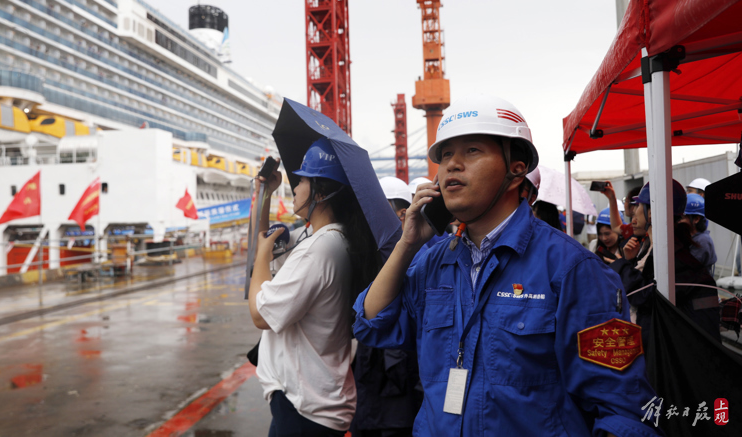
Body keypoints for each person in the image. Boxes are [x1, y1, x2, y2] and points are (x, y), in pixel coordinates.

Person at [353, 94, 660, 436]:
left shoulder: (572, 269)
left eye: (471, 151)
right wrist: (407, 245)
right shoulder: (432, 261)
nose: (452, 165)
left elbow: (623, 407)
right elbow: (371, 325)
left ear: (516, 170)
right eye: (446, 155)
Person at [249, 139, 381, 436]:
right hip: (314, 403)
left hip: (304, 407)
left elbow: (260, 314)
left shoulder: (319, 249)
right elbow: (260, 246)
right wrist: (265, 193)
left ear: (321, 192)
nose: (295, 187)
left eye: (303, 180)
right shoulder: (335, 240)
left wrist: (261, 254)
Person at [611, 181, 721, 349]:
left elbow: (645, 296)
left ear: (651, 213)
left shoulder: (671, 254)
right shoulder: (654, 247)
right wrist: (630, 261)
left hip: (675, 356)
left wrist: (622, 265)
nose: (633, 214)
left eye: (638, 206)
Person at [351, 177, 422, 437]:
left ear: (402, 213)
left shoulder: (419, 256)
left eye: (379, 209)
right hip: (368, 379)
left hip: (399, 381)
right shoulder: (367, 253)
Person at [682, 193, 718, 275]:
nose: (678, 221)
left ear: (696, 219)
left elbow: (685, 270)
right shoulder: (689, 237)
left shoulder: (702, 241)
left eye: (682, 217)